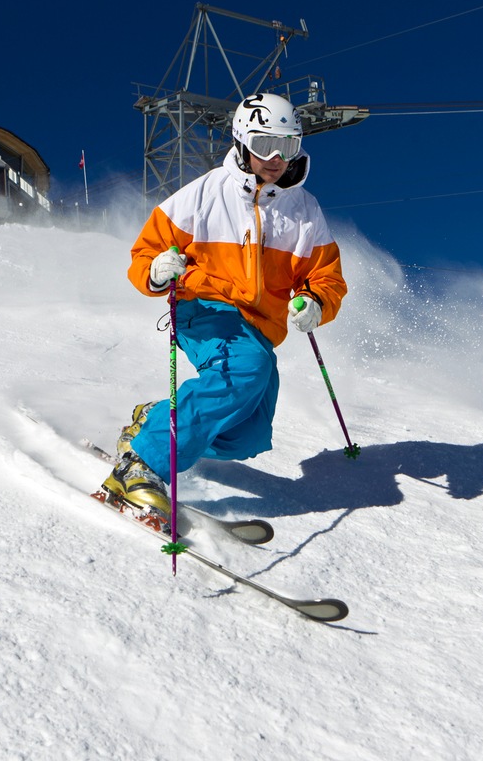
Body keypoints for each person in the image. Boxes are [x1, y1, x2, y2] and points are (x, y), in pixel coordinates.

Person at [98, 93, 348, 522]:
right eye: (264, 143)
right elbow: (144, 256)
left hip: (259, 328)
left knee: (248, 434)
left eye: (286, 147)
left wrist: (315, 302)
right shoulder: (205, 193)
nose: (275, 158)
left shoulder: (305, 211)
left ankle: (154, 421)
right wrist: (158, 272)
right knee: (245, 372)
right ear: (241, 140)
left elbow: (326, 278)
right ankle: (139, 467)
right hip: (204, 305)